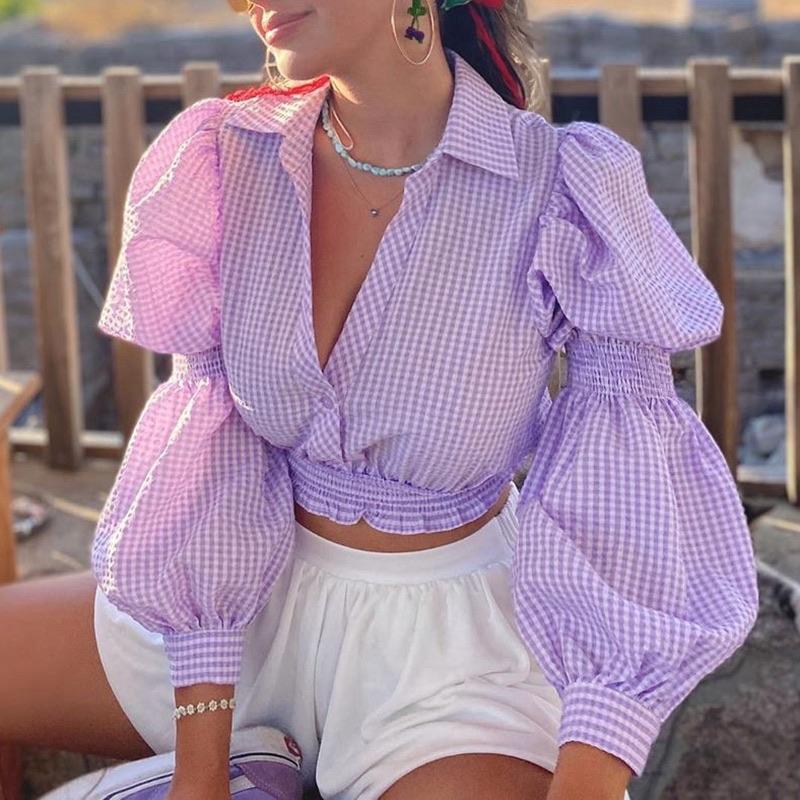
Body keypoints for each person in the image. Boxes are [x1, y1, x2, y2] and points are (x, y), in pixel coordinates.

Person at [0, 0, 760, 799]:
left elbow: (626, 483)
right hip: (241, 601)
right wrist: (200, 770)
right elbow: (213, 445)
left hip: (449, 665)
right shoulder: (230, 156)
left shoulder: (558, 184)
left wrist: (586, 773)